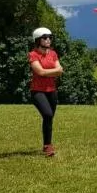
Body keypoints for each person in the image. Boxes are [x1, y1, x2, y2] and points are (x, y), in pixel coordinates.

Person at [28, 27, 63, 157]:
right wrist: (54, 72)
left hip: (52, 90)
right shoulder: (33, 55)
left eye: (50, 37)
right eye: (45, 37)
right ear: (38, 40)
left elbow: (59, 70)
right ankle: (48, 146)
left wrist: (48, 72)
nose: (48, 40)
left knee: (49, 118)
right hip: (37, 91)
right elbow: (40, 72)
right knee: (47, 114)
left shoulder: (53, 54)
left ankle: (47, 145)